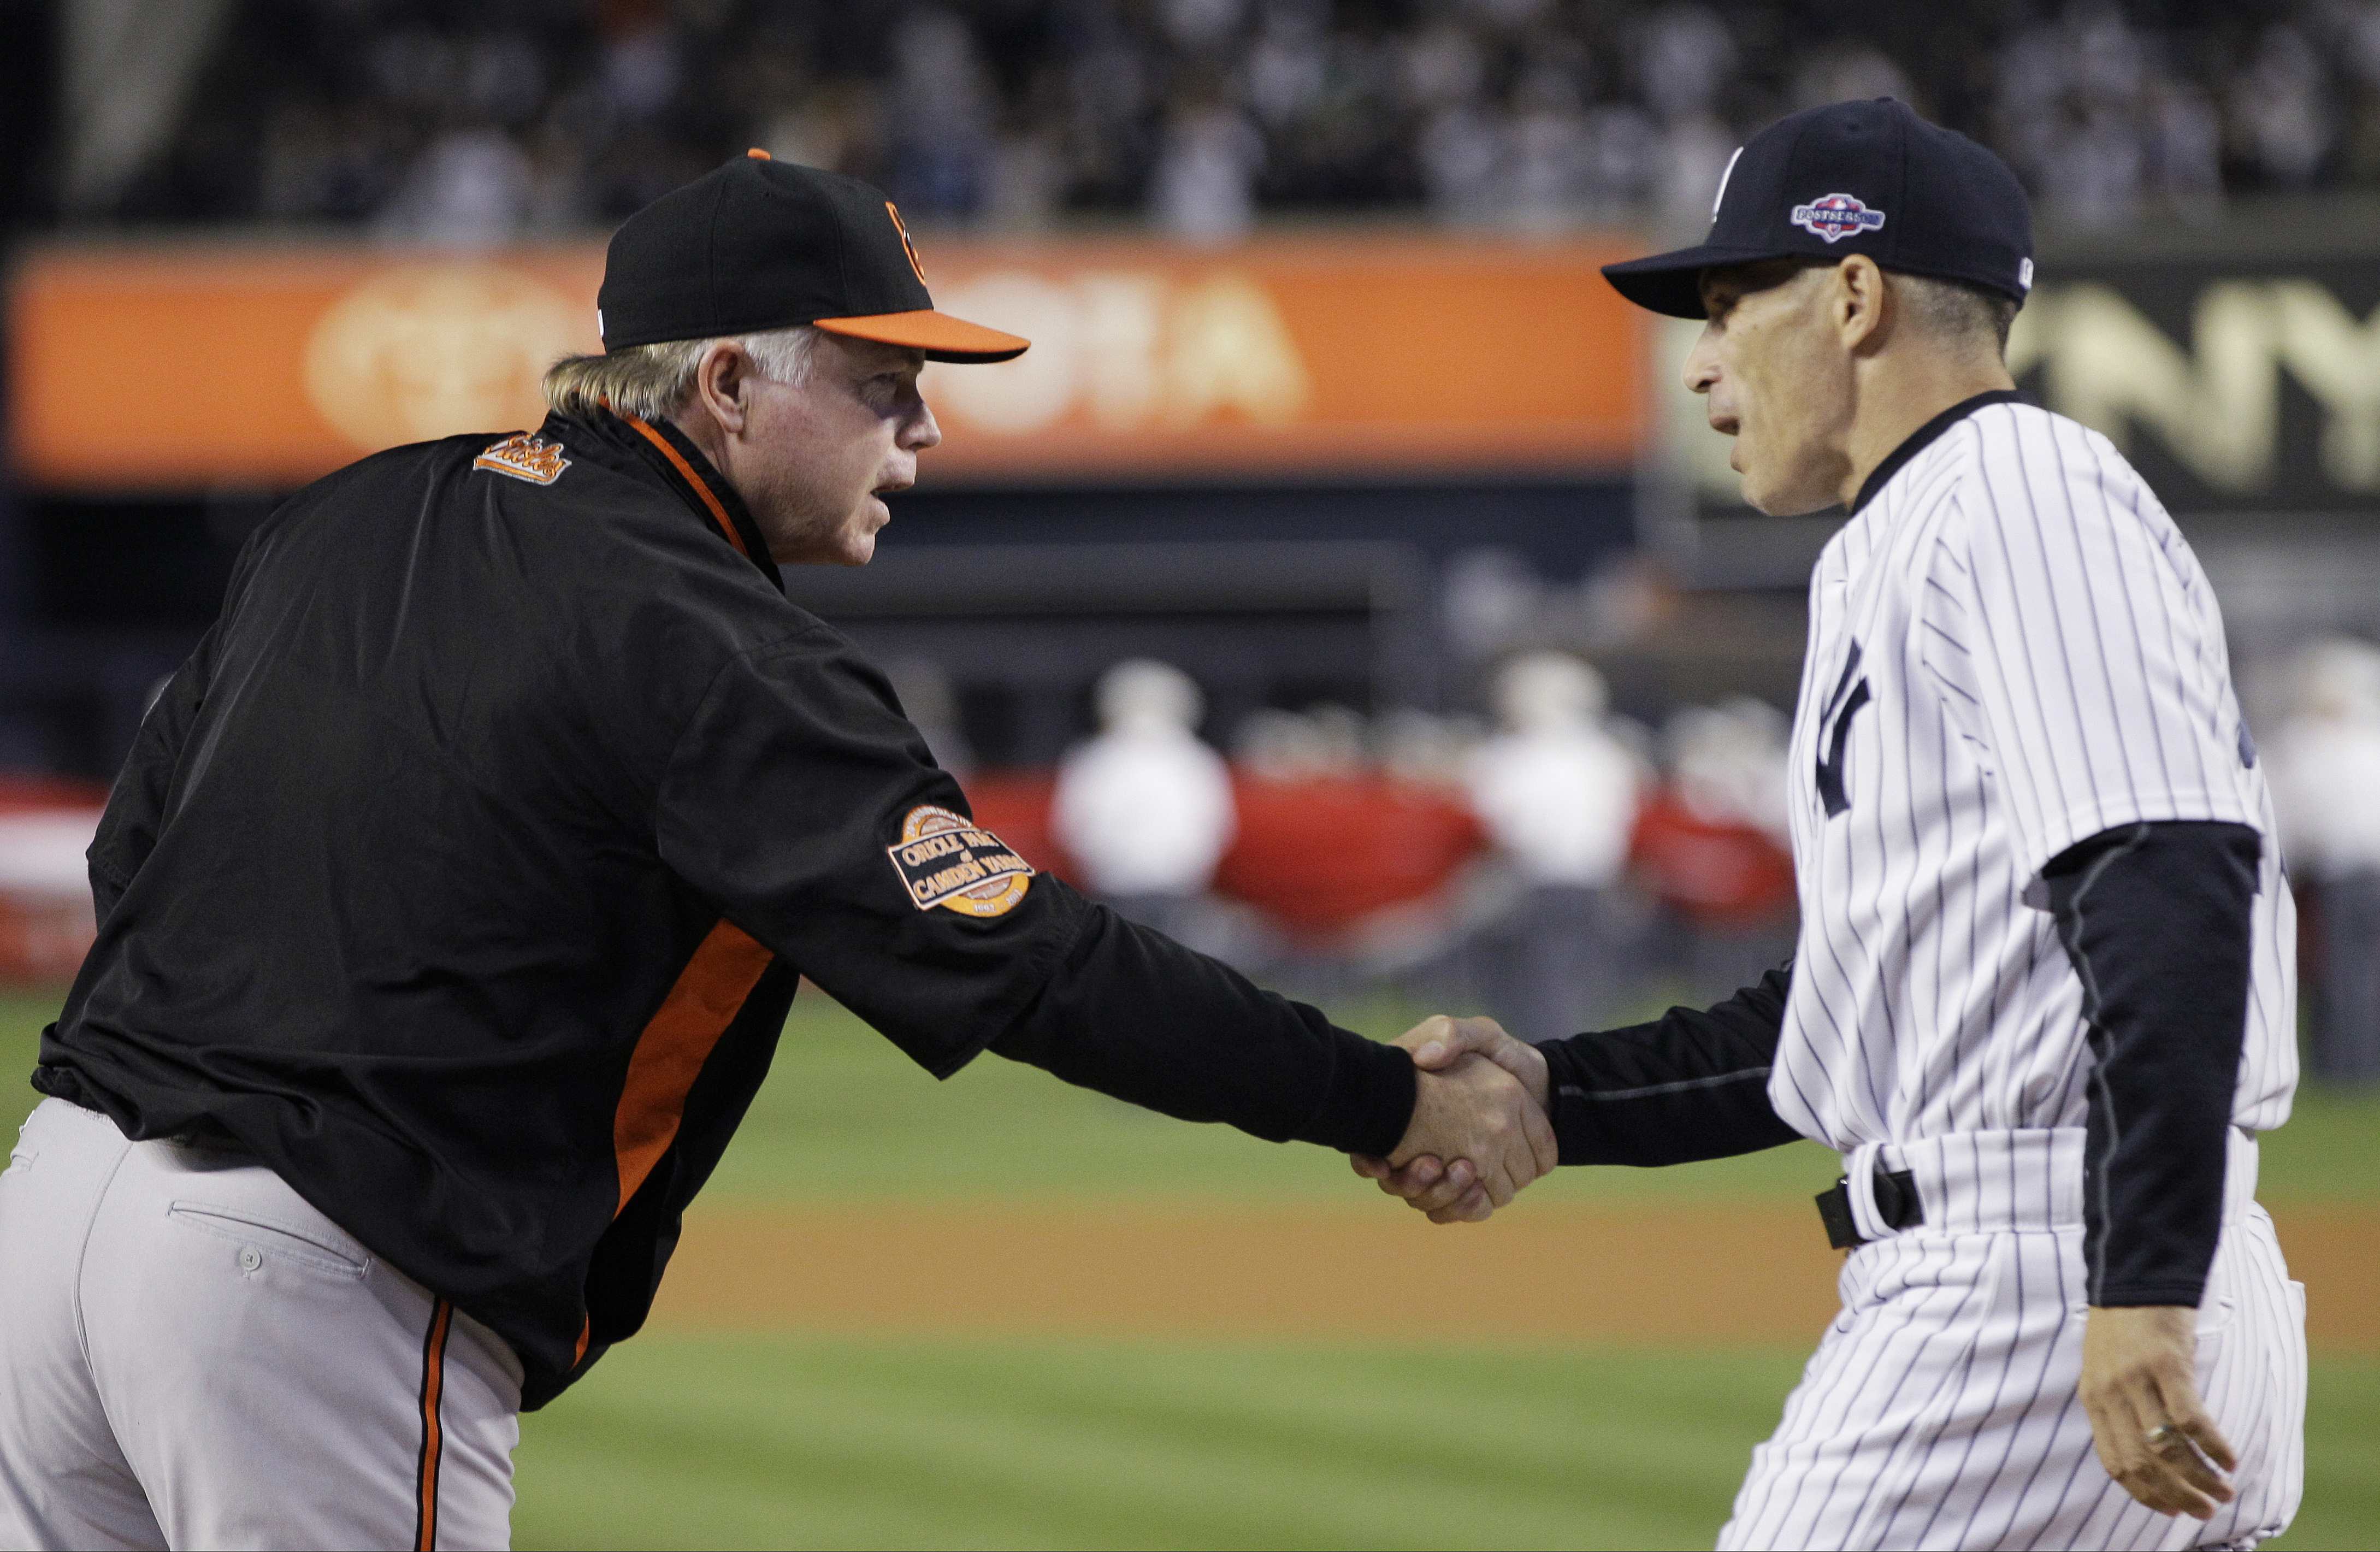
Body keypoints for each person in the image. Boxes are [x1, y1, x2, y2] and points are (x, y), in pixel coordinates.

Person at [0, 153, 1551, 1552]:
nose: (928, 428)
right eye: (884, 385)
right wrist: (1382, 1094)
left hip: (55, 1208)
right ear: (728, 384)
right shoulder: (707, 639)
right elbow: (1024, 964)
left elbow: (135, 850)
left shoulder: (351, 513)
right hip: (301, 1274)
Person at [1363, 98, 2306, 1550]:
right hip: (2040, 1252)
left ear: (1853, 294)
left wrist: (2138, 1277)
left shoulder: (2015, 490)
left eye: (1729, 305)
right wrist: (1554, 1092)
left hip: (2034, 1282)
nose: (1699, 364)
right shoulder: (1910, 534)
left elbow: (2167, 879)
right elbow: (1843, 1018)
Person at [1463, 651, 1642, 1038]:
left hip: (1534, 885)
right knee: (1578, 987)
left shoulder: (1512, 755)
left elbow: (1496, 826)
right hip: (1593, 886)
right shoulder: (1607, 753)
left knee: (1531, 997)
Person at [1050, 658, 1237, 941]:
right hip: (1180, 890)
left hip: (1111, 889)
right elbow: (1218, 827)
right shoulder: (1198, 758)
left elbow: (1071, 827)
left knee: (1120, 969)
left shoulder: (1093, 758)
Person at [2265, 636, 2380, 1083]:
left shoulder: (2306, 743)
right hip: (2349, 872)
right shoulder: (2364, 739)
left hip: (2341, 874)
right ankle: (2355, 1067)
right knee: (2353, 975)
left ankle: (2345, 1068)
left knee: (2340, 976)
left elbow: (2294, 818)